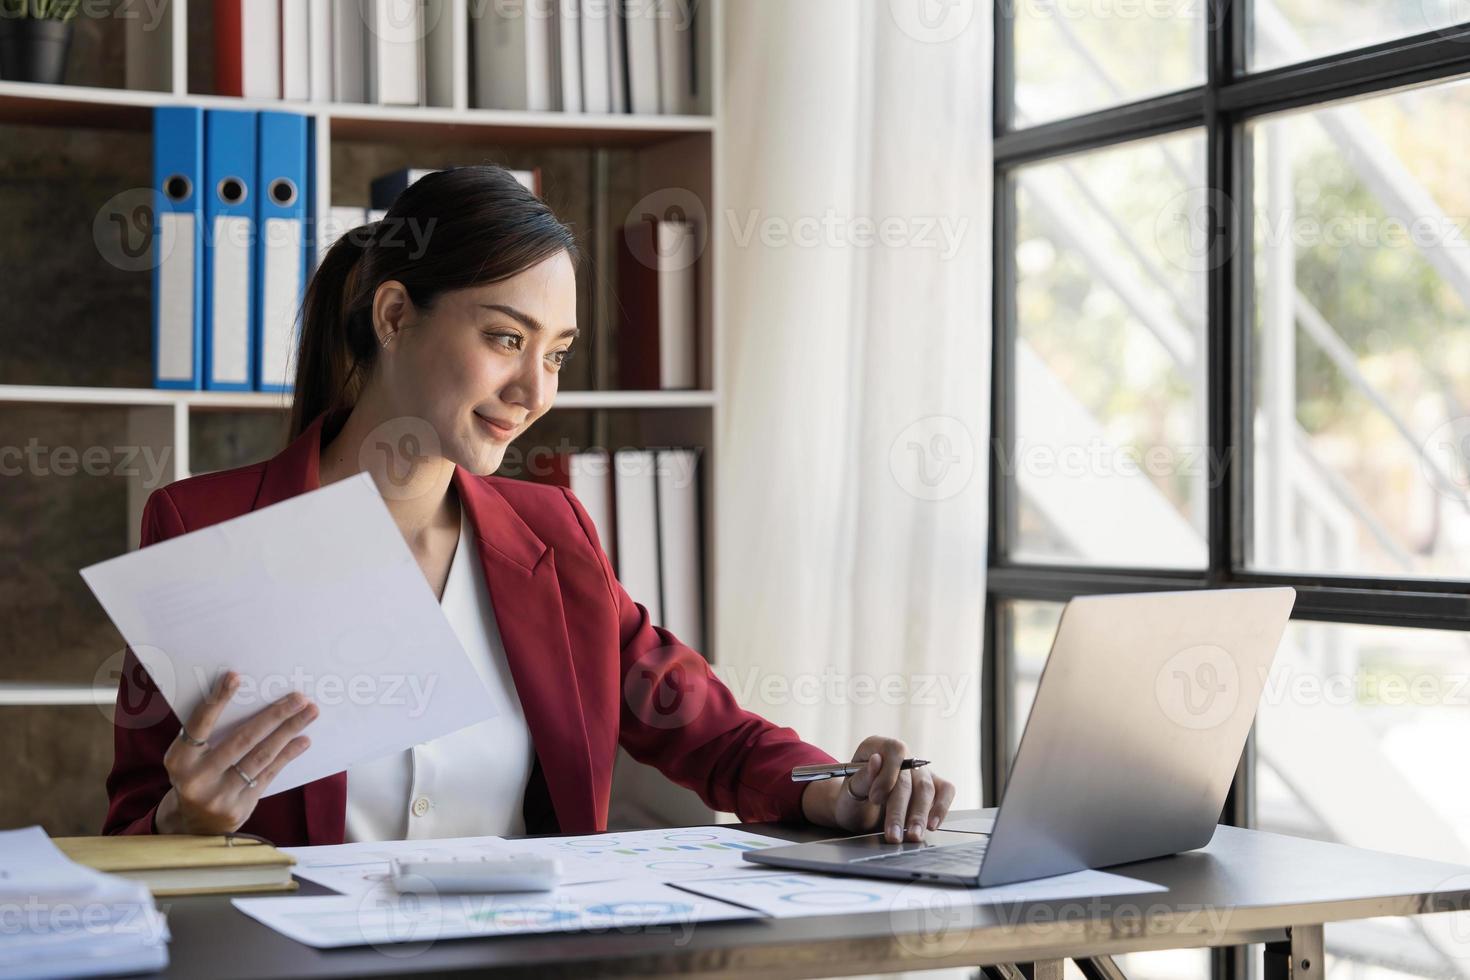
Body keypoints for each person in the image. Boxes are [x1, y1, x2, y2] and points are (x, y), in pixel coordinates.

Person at [103, 165, 956, 847]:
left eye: (557, 354)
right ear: (395, 314)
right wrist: (189, 823)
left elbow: (710, 734)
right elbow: (130, 829)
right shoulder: (207, 527)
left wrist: (835, 792)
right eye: (506, 339)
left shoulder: (552, 533)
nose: (533, 390)